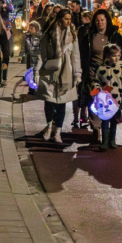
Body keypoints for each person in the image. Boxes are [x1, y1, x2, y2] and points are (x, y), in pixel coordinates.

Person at [78, 9, 122, 144]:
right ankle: (96, 128)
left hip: (109, 76)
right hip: (93, 74)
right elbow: (82, 54)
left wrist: (119, 66)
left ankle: (109, 135)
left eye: (102, 20)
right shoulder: (89, 37)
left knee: (108, 101)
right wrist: (85, 69)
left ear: (107, 20)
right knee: (93, 100)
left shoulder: (114, 36)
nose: (100, 22)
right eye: (97, 20)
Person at [34, 9, 81, 143]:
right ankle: (49, 126)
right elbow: (41, 54)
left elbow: (76, 56)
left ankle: (58, 131)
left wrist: (77, 74)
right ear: (60, 19)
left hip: (66, 72)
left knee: (61, 103)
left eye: (70, 19)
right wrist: (36, 71)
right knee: (48, 101)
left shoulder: (72, 34)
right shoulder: (49, 34)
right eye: (66, 19)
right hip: (50, 71)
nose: (68, 21)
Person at [92, 44, 122, 150]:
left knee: (114, 121)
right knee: (105, 120)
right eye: (114, 55)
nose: (117, 58)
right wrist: (96, 93)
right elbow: (96, 82)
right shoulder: (101, 69)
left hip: (116, 101)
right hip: (105, 101)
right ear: (108, 56)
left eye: (119, 56)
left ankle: (112, 140)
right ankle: (105, 141)